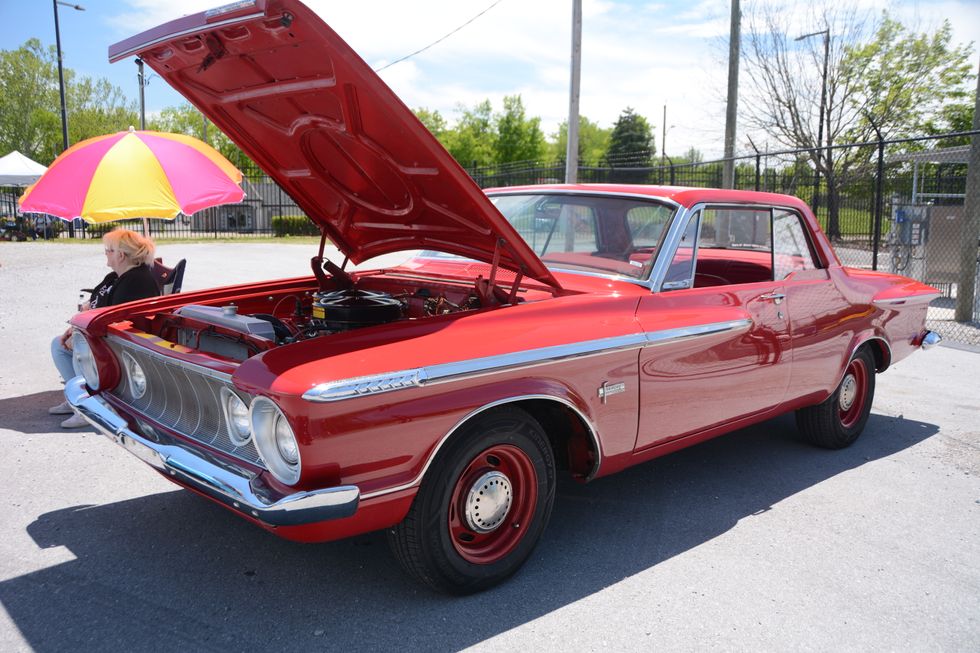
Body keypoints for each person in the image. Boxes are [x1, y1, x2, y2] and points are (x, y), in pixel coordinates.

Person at [49, 229, 161, 428]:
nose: (105, 254)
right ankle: (76, 398)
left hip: (118, 343)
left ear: (121, 255)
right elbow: (94, 305)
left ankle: (88, 406)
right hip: (95, 334)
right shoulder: (115, 276)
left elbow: (115, 322)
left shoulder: (137, 281)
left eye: (108, 250)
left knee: (81, 350)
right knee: (58, 345)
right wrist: (75, 328)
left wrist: (79, 335)